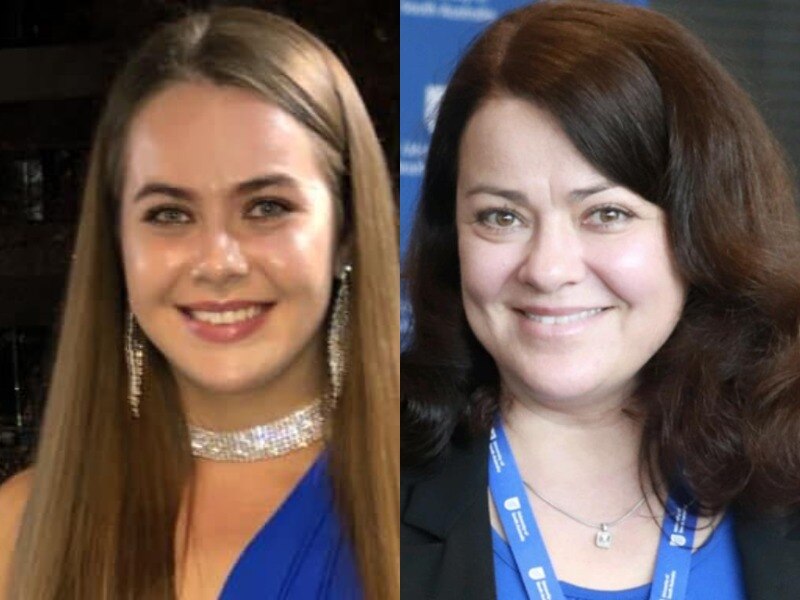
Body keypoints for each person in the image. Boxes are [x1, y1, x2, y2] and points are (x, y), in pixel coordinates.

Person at [401, 1, 800, 599]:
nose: (549, 269)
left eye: (606, 213)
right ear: (449, 236)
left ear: (704, 228)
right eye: (501, 216)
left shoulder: (786, 475)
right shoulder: (360, 491)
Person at [0, 7, 399, 600]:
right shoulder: (23, 524)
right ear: (118, 247)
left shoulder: (439, 502)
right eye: (169, 214)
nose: (218, 263)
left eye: (266, 207)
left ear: (347, 229)